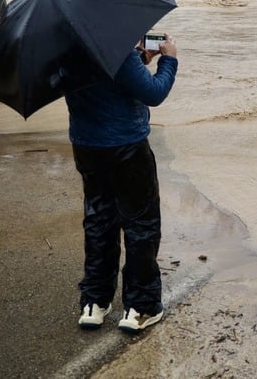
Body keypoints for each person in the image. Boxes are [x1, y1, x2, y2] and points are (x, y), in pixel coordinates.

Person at [63, 35, 178, 333]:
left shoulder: (64, 45)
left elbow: (101, 82)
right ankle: (141, 306)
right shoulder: (114, 45)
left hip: (86, 145)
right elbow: (154, 93)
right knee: (141, 224)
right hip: (126, 146)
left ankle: (94, 302)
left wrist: (138, 62)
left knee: (99, 220)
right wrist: (169, 59)